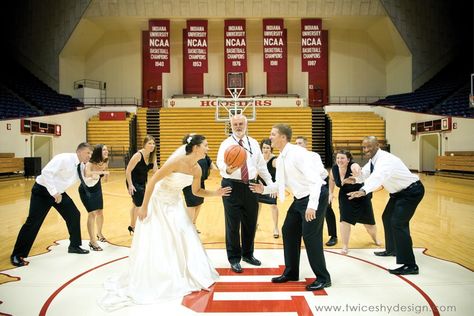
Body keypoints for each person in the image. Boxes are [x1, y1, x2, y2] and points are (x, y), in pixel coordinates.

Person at [98, 134, 231, 311]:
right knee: (161, 239)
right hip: (158, 201)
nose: (208, 148)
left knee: (184, 233)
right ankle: (160, 275)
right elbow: (153, 180)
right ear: (196, 147)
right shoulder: (177, 161)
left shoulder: (197, 168)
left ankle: (182, 272)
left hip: (174, 202)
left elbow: (197, 191)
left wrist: (216, 193)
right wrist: (144, 207)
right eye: (205, 145)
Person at [250, 124, 331, 291]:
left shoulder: (298, 154)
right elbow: (280, 184)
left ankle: (324, 277)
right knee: (288, 230)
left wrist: (312, 206)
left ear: (283, 137)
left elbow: (316, 180)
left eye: (273, 134)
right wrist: (263, 189)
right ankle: (292, 272)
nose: (270, 137)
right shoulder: (281, 158)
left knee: (310, 237)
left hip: (314, 197)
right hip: (300, 198)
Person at [347, 136, 425, 275]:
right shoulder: (374, 160)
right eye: (364, 147)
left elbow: (378, 177)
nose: (366, 150)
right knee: (387, 217)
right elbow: (366, 173)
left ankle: (410, 265)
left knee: (398, 223)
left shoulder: (385, 160)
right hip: (398, 193)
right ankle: (392, 249)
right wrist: (355, 179)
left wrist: (364, 190)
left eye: (369, 146)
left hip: (411, 191)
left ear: (377, 145)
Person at [10, 143, 92, 267]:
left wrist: (98, 174)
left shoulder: (80, 166)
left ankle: (74, 246)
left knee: (74, 215)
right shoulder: (64, 158)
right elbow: (46, 172)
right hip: (43, 191)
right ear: (79, 152)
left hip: (58, 193)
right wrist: (54, 193)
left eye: (91, 154)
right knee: (33, 222)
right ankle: (17, 255)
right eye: (88, 153)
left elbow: (85, 179)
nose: (89, 156)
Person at [216, 114, 274, 273]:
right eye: (235, 124)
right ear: (231, 126)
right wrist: (227, 169)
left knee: (250, 222)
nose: (238, 126)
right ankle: (234, 258)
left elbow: (262, 167)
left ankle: (248, 254)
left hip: (250, 186)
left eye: (241, 123)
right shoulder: (226, 144)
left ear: (246, 125)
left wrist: (271, 185)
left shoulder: (254, 143)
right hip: (231, 186)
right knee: (232, 224)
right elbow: (220, 163)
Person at [329, 149, 380, 255]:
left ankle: (375, 239)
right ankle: (345, 246)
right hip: (345, 196)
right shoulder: (334, 169)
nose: (339, 160)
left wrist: (357, 173)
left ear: (348, 160)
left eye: (342, 158)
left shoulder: (353, 165)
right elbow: (332, 180)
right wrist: (330, 193)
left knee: (369, 224)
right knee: (344, 221)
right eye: (338, 158)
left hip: (360, 195)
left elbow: (356, 168)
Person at [295, 135, 338, 247]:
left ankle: (333, 236)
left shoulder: (313, 155)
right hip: (307, 186)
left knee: (327, 209)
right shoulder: (295, 158)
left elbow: (321, 173)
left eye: (300, 143)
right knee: (302, 208)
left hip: (321, 182)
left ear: (305, 144)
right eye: (296, 143)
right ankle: (301, 233)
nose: (298, 145)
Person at [181, 133, 217, 233]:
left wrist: (218, 172)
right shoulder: (185, 158)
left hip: (200, 182)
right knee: (192, 206)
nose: (207, 148)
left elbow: (211, 165)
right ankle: (187, 228)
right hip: (189, 184)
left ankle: (193, 225)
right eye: (205, 145)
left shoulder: (204, 155)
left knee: (199, 203)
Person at [77, 144, 110, 251]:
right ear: (98, 151)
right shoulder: (90, 162)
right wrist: (101, 172)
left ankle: (99, 234)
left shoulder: (105, 162)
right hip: (86, 190)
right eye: (104, 150)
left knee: (100, 212)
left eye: (107, 150)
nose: (106, 151)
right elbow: (87, 174)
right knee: (92, 213)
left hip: (96, 188)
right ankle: (92, 241)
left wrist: (105, 175)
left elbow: (105, 177)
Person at [125, 135, 158, 234]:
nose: (152, 145)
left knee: (136, 205)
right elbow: (128, 170)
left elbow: (155, 171)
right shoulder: (138, 155)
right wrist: (130, 185)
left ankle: (132, 226)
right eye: (149, 143)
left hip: (143, 182)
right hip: (133, 182)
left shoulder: (152, 155)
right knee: (140, 204)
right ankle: (138, 227)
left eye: (153, 143)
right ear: (144, 144)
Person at [256, 138, 280, 238]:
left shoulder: (274, 160)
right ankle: (255, 223)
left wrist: (276, 188)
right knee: (257, 205)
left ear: (271, 149)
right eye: (264, 147)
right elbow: (255, 172)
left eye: (267, 148)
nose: (265, 149)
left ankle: (275, 228)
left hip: (271, 186)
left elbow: (280, 174)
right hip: (259, 185)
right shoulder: (258, 158)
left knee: (273, 206)